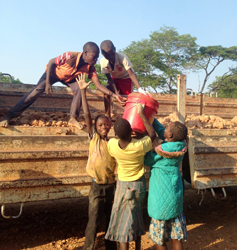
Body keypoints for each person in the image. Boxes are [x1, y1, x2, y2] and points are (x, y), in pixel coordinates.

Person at [0, 42, 125, 129]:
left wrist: (114, 95)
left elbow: (98, 85)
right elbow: (51, 62)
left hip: (69, 78)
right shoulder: (69, 56)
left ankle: (72, 118)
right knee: (35, 92)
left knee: (79, 90)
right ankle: (9, 115)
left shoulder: (90, 67)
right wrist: (48, 82)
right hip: (53, 74)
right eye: (94, 56)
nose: (96, 60)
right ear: (86, 53)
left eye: (97, 57)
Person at [105, 108, 156, 250]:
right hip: (138, 185)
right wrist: (140, 114)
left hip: (122, 185)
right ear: (131, 132)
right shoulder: (139, 146)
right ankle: (138, 245)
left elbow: (116, 139)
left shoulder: (112, 145)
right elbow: (152, 134)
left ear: (115, 134)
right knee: (136, 215)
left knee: (122, 222)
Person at [76, 74, 117, 250]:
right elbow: (86, 114)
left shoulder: (114, 142)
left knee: (110, 218)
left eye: (107, 125)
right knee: (93, 220)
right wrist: (83, 92)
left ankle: (111, 247)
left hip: (111, 186)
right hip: (96, 187)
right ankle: (89, 247)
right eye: (100, 125)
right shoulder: (94, 138)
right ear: (96, 127)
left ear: (110, 126)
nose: (104, 128)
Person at [144, 120, 188, 250]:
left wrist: (146, 141)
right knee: (176, 236)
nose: (165, 128)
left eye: (167, 127)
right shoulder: (180, 145)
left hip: (160, 202)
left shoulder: (161, 154)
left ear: (170, 136)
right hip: (174, 198)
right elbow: (163, 132)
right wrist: (152, 119)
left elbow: (146, 159)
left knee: (160, 238)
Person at [100, 40, 149, 120]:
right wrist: (116, 93)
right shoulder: (103, 62)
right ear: (103, 54)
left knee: (127, 98)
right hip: (114, 79)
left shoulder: (122, 57)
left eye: (112, 54)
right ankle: (107, 115)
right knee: (107, 90)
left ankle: (129, 118)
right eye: (107, 56)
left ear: (115, 49)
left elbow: (131, 74)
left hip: (126, 78)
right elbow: (109, 78)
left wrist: (139, 89)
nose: (111, 57)